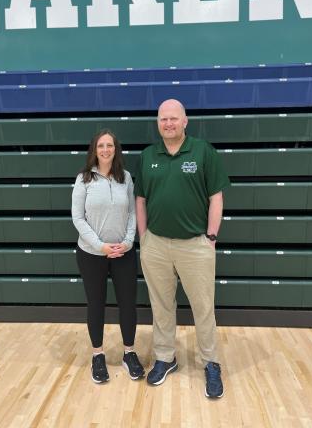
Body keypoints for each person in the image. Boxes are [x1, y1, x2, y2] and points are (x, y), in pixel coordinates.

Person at [135, 99, 230, 398]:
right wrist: (144, 237)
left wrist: (211, 237)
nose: (168, 124)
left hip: (195, 245)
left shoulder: (203, 151)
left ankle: (210, 362)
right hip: (156, 245)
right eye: (163, 119)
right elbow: (140, 199)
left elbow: (216, 196)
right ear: (158, 123)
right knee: (161, 306)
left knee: (203, 307)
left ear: (185, 121)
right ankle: (165, 357)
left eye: (174, 119)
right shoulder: (149, 155)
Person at [72, 129, 145, 384]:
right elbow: (78, 218)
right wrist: (101, 245)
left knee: (128, 304)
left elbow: (134, 214)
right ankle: (97, 355)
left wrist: (126, 242)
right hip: (92, 254)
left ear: (116, 149)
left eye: (110, 145)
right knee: (96, 304)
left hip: (123, 253)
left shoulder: (125, 177)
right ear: (94, 149)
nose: (105, 150)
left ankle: (129, 353)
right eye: (101, 145)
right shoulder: (83, 179)